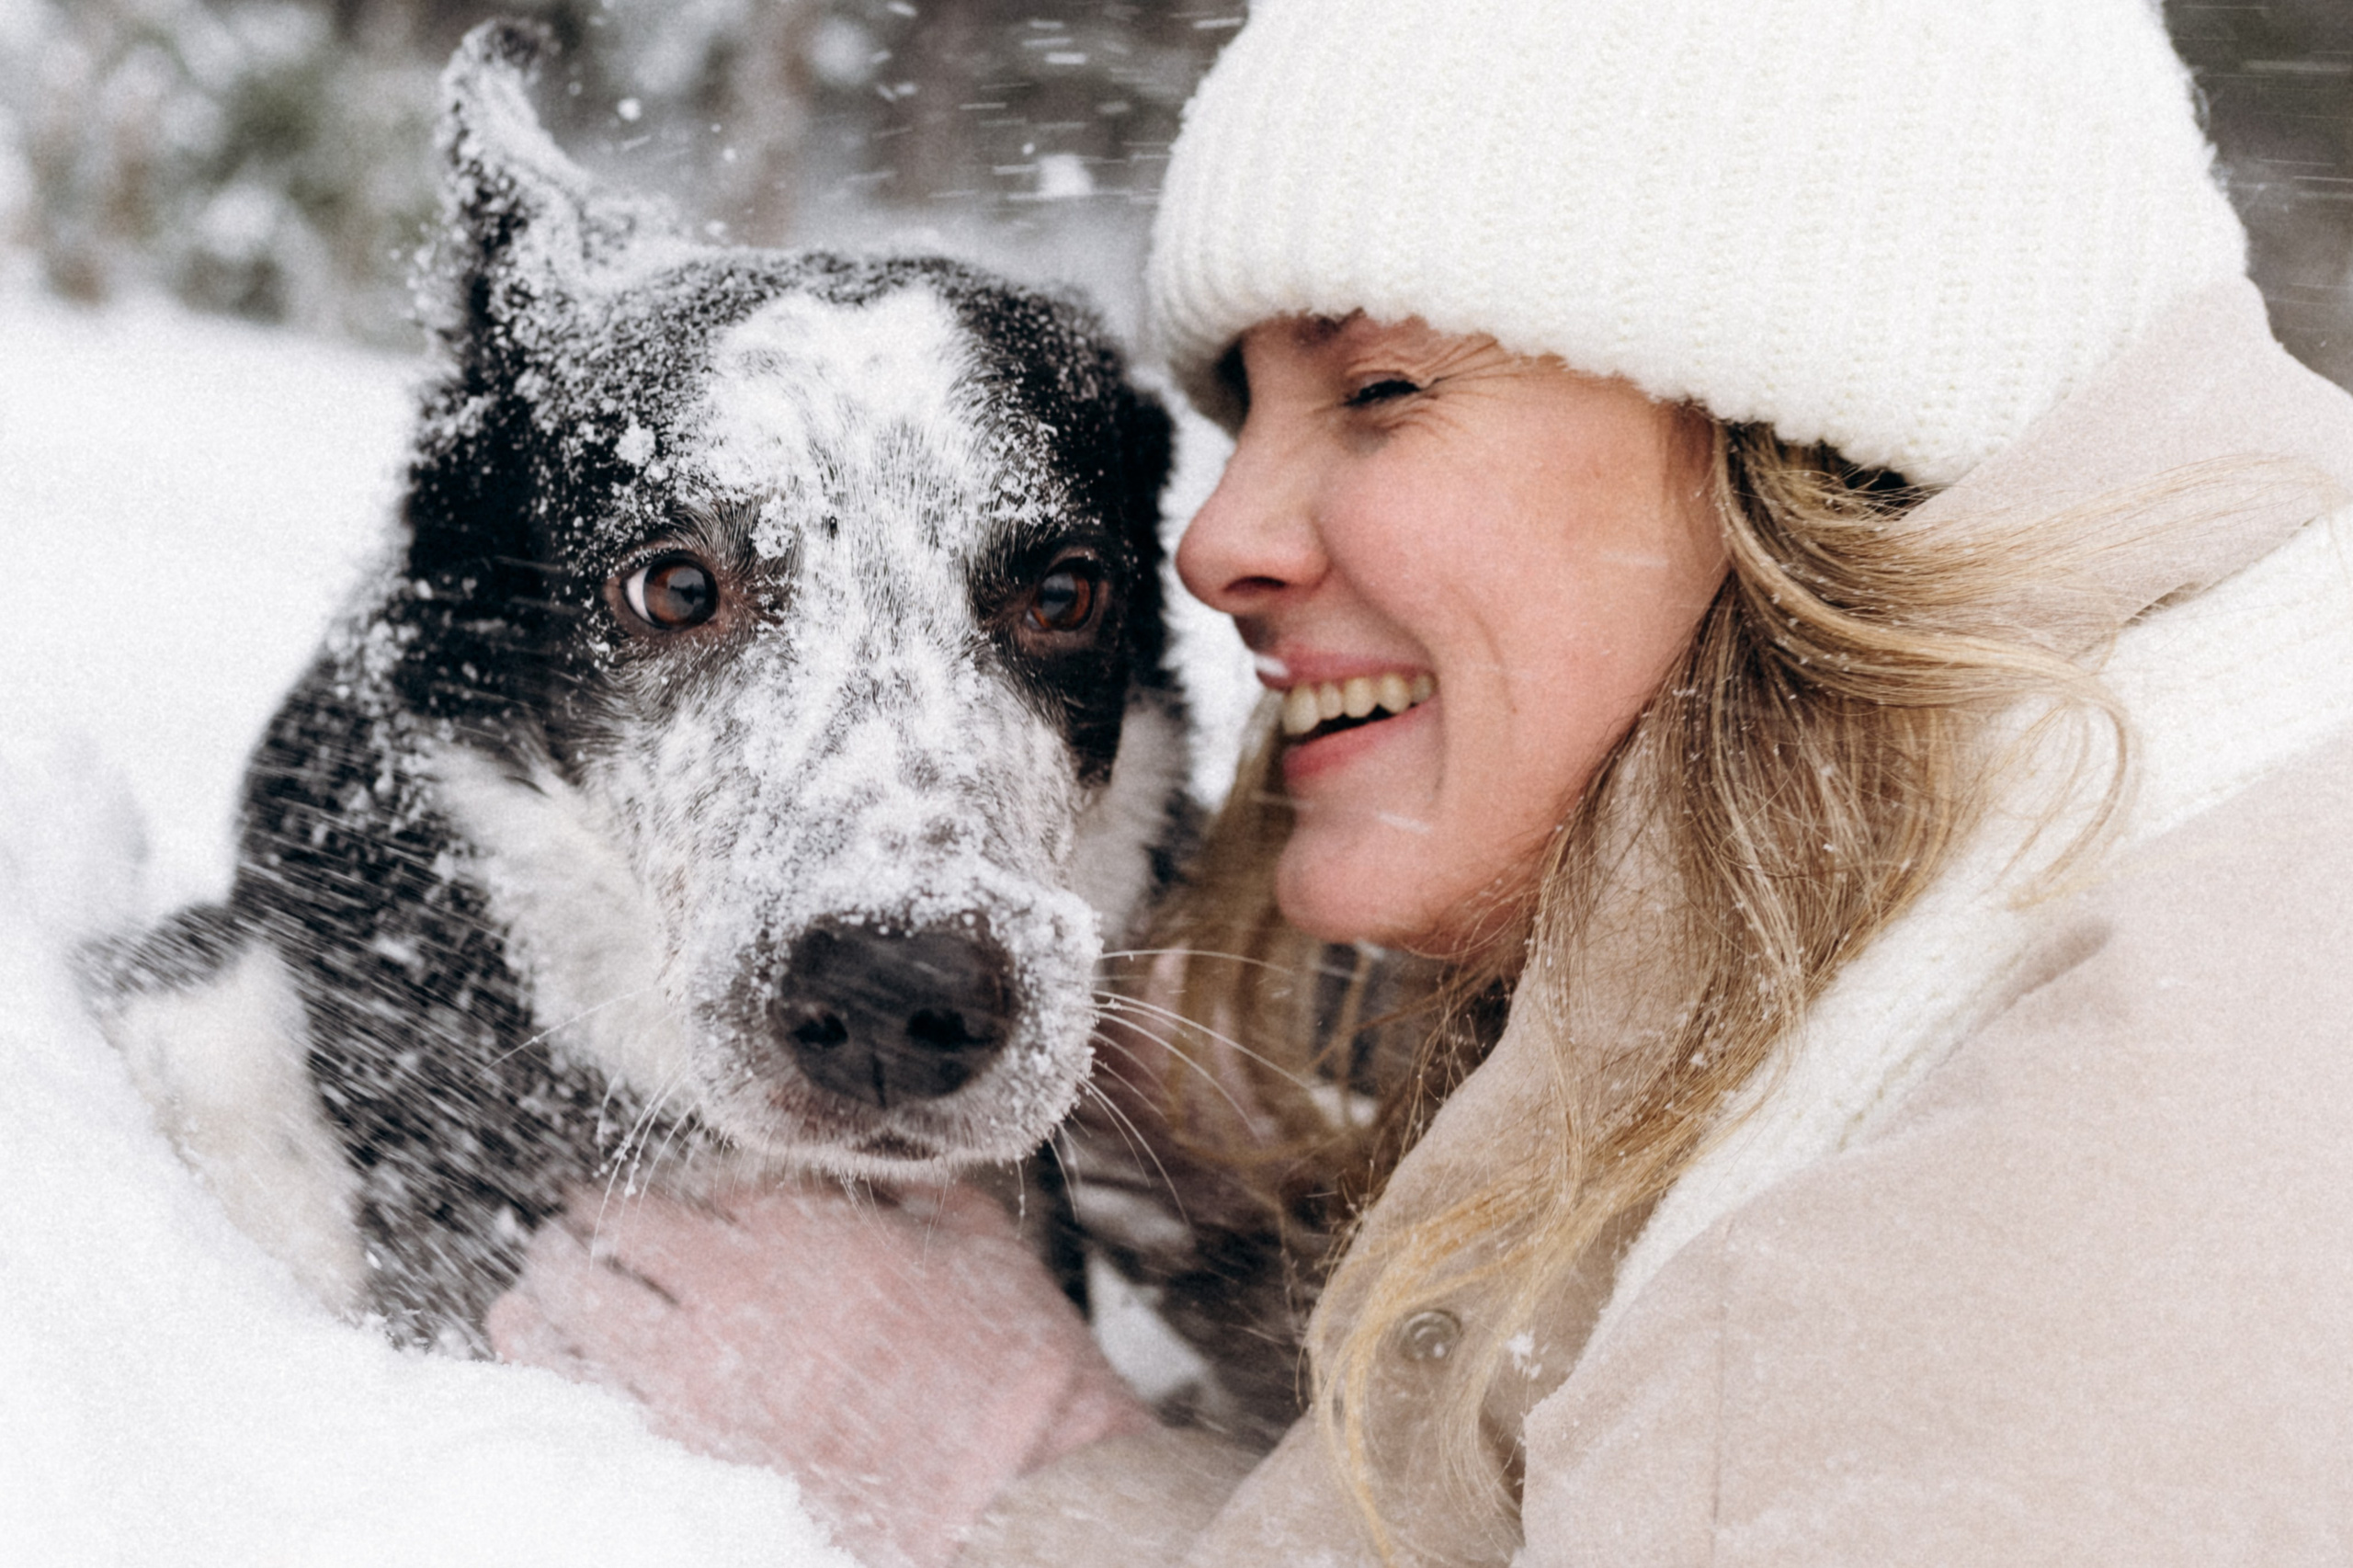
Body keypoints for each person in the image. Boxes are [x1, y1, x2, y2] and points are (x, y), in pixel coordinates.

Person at [495, 2, 2353, 1563]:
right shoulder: (2009, 849)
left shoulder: (2161, 1106)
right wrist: (1260, 1233)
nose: (1212, 538)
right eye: (1242, 412)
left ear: (1801, 416)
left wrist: (1027, 1466)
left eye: (1376, 391)